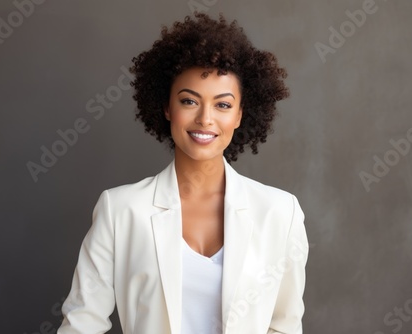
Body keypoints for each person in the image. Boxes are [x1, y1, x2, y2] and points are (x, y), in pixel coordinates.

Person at [57, 13, 309, 334]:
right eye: (189, 101)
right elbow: (81, 325)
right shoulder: (120, 210)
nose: (205, 119)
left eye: (222, 105)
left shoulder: (280, 213)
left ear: (240, 115)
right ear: (166, 107)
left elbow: (284, 327)